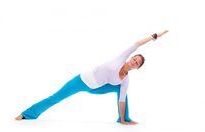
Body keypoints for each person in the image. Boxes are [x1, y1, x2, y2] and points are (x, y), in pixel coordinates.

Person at [15, 30, 168, 125]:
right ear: (130, 58)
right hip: (81, 80)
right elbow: (137, 44)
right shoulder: (122, 58)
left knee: (122, 92)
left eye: (137, 63)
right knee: (56, 97)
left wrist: (122, 119)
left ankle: (124, 119)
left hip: (96, 89)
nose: (134, 61)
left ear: (137, 68)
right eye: (135, 59)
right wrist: (154, 36)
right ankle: (27, 114)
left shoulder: (125, 80)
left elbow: (122, 100)